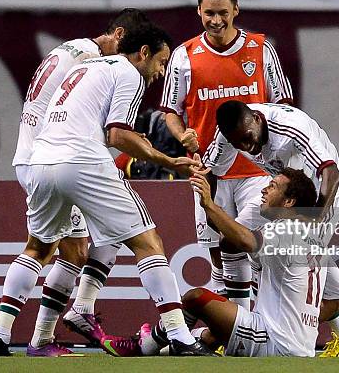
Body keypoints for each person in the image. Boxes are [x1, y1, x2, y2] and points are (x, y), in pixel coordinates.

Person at [22, 23, 216, 357]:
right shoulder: (129, 73)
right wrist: (169, 161)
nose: (160, 72)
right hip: (82, 160)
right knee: (147, 241)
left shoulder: (86, 65)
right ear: (143, 52)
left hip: (40, 162)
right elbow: (117, 136)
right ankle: (180, 334)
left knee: (46, 249)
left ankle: (39, 336)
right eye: (160, 62)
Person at [0, 9, 147, 357]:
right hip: (55, 159)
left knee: (57, 248)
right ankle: (50, 332)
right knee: (77, 245)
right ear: (118, 35)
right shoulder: (93, 62)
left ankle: (1, 335)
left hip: (31, 157)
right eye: (126, 49)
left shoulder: (69, 50)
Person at [159, 0, 293, 309]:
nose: (216, 20)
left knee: (251, 247)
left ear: (236, 9)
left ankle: (250, 329)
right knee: (219, 256)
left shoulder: (260, 50)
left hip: (256, 172)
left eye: (222, 12)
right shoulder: (183, 56)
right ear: (199, 12)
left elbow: (284, 107)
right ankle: (233, 331)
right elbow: (170, 112)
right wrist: (181, 134)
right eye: (209, 13)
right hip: (209, 172)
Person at [102, 168, 327, 357]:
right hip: (301, 346)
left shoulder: (283, 229)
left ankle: (143, 347)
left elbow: (244, 240)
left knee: (196, 298)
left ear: (288, 202)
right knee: (211, 333)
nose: (264, 189)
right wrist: (299, 323)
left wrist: (209, 204)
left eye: (274, 186)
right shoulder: (315, 241)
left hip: (274, 342)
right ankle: (170, 344)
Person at [202, 101, 339, 357]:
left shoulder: (290, 127)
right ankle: (234, 331)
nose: (244, 147)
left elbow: (330, 171)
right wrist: (209, 210)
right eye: (237, 143)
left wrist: (313, 218)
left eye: (247, 138)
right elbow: (210, 171)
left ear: (257, 119)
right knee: (231, 242)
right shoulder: (229, 133)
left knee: (300, 257)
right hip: (281, 190)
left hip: (321, 193)